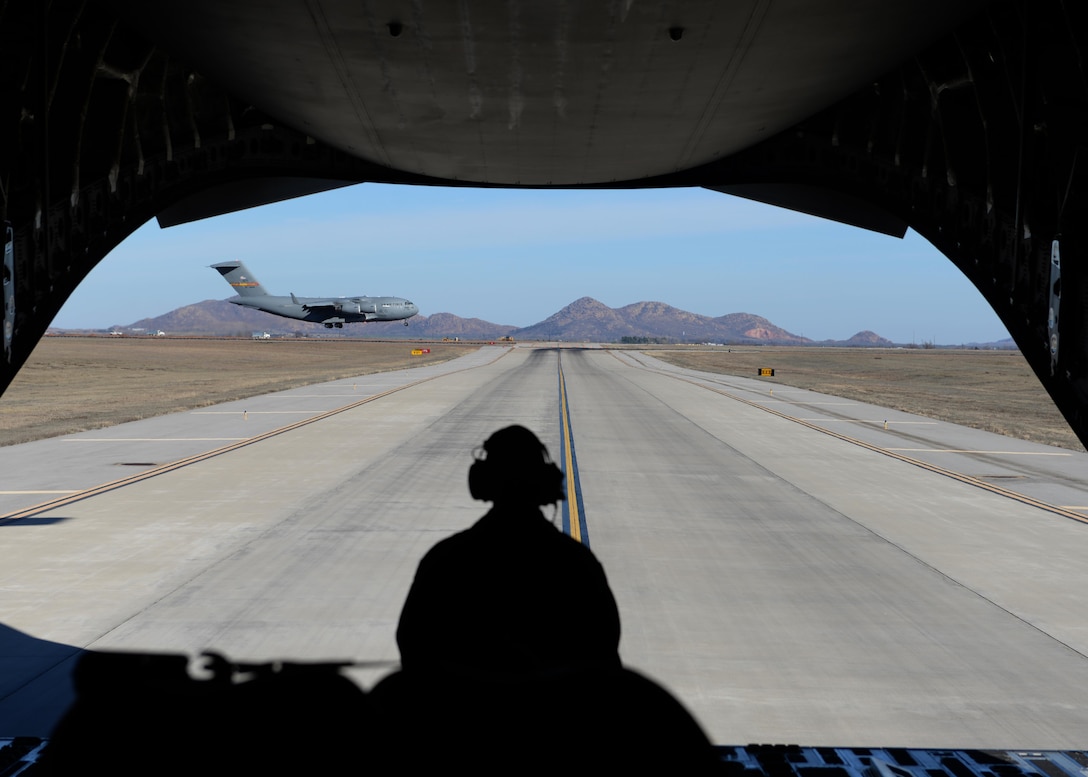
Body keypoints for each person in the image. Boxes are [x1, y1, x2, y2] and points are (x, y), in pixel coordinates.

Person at [394, 424, 621, 678]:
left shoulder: (446, 559)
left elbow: (412, 646)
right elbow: (604, 656)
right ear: (545, 482)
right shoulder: (577, 563)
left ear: (482, 481)